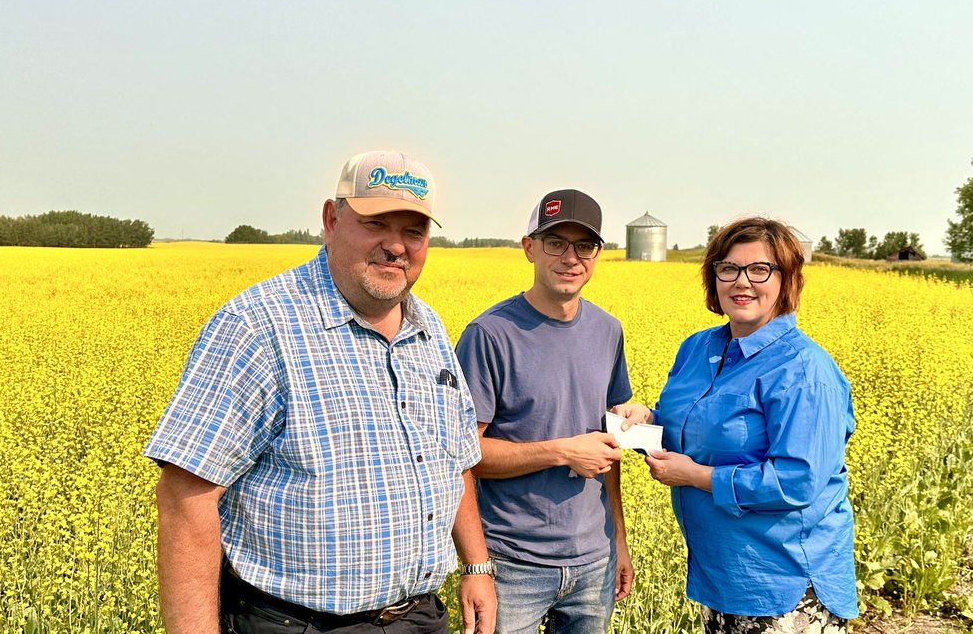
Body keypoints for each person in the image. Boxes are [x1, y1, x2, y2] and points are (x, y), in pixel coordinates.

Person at [145, 150, 497, 634]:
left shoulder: (428, 326)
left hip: (419, 618)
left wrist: (475, 566)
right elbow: (187, 498)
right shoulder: (257, 326)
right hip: (301, 624)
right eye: (377, 223)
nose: (397, 246)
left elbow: (453, 460)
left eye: (413, 231)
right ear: (332, 220)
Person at [628, 217, 858, 633]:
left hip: (783, 581)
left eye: (759, 270)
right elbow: (692, 430)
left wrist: (697, 476)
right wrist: (644, 421)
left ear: (787, 281)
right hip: (722, 574)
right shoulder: (698, 348)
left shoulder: (804, 370)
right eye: (729, 268)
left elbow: (798, 481)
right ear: (713, 276)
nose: (742, 282)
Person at [455, 189, 638, 634]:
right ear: (529, 248)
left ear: (597, 255)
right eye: (555, 242)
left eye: (584, 246)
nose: (570, 258)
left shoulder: (607, 330)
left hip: (594, 563)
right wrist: (561, 452)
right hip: (513, 564)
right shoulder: (489, 334)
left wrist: (619, 539)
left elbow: (607, 445)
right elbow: (462, 456)